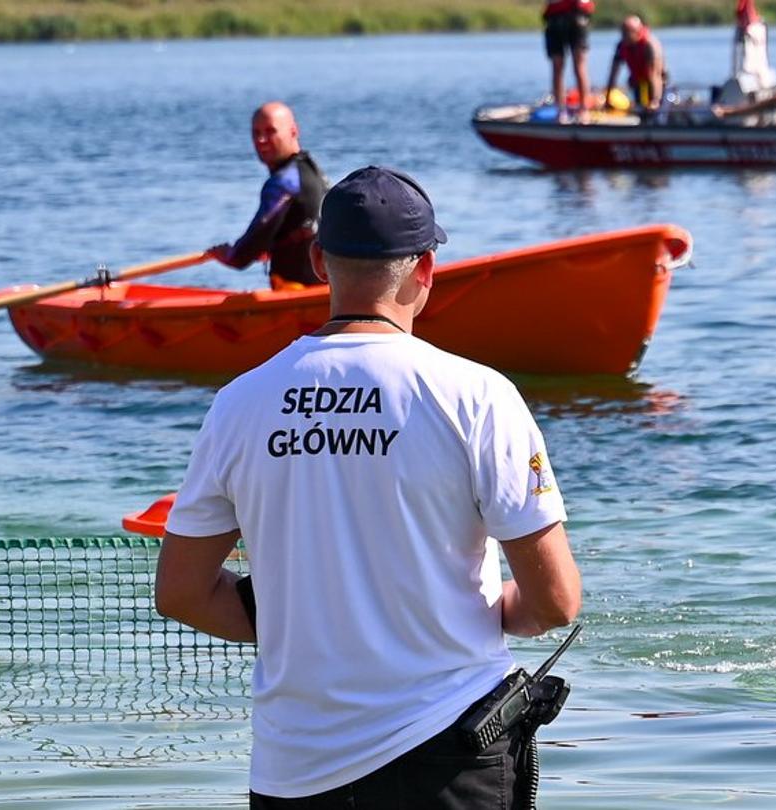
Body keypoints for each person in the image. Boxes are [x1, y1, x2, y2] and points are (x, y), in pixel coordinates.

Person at [155, 165, 583, 807]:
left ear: (319, 261)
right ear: (427, 268)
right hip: (448, 750)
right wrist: (486, 614)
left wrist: (307, 624)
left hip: (296, 765)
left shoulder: (239, 405)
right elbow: (554, 602)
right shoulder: (478, 397)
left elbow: (181, 592)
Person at [210, 102, 329, 290]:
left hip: (296, 293)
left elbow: (246, 250)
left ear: (293, 131)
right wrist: (270, 244)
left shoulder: (283, 182)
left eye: (270, 131)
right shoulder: (313, 171)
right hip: (326, 288)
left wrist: (228, 255)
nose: (261, 140)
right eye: (256, 133)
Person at [605, 16, 667, 114]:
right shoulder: (621, 46)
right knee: (640, 112)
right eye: (622, 32)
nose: (623, 36)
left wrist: (655, 101)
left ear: (637, 32)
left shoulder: (650, 45)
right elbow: (613, 74)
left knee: (656, 112)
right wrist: (608, 98)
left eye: (626, 32)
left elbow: (656, 75)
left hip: (657, 85)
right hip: (638, 83)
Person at [544, 0, 594, 116]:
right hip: (555, 19)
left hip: (576, 17)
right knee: (557, 67)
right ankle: (560, 110)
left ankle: (583, 109)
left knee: (579, 66)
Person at [732, 0, 776, 91]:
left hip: (752, 29)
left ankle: (762, 87)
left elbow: (742, 10)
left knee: (756, 66)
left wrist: (746, 26)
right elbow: (741, 10)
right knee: (754, 66)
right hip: (752, 29)